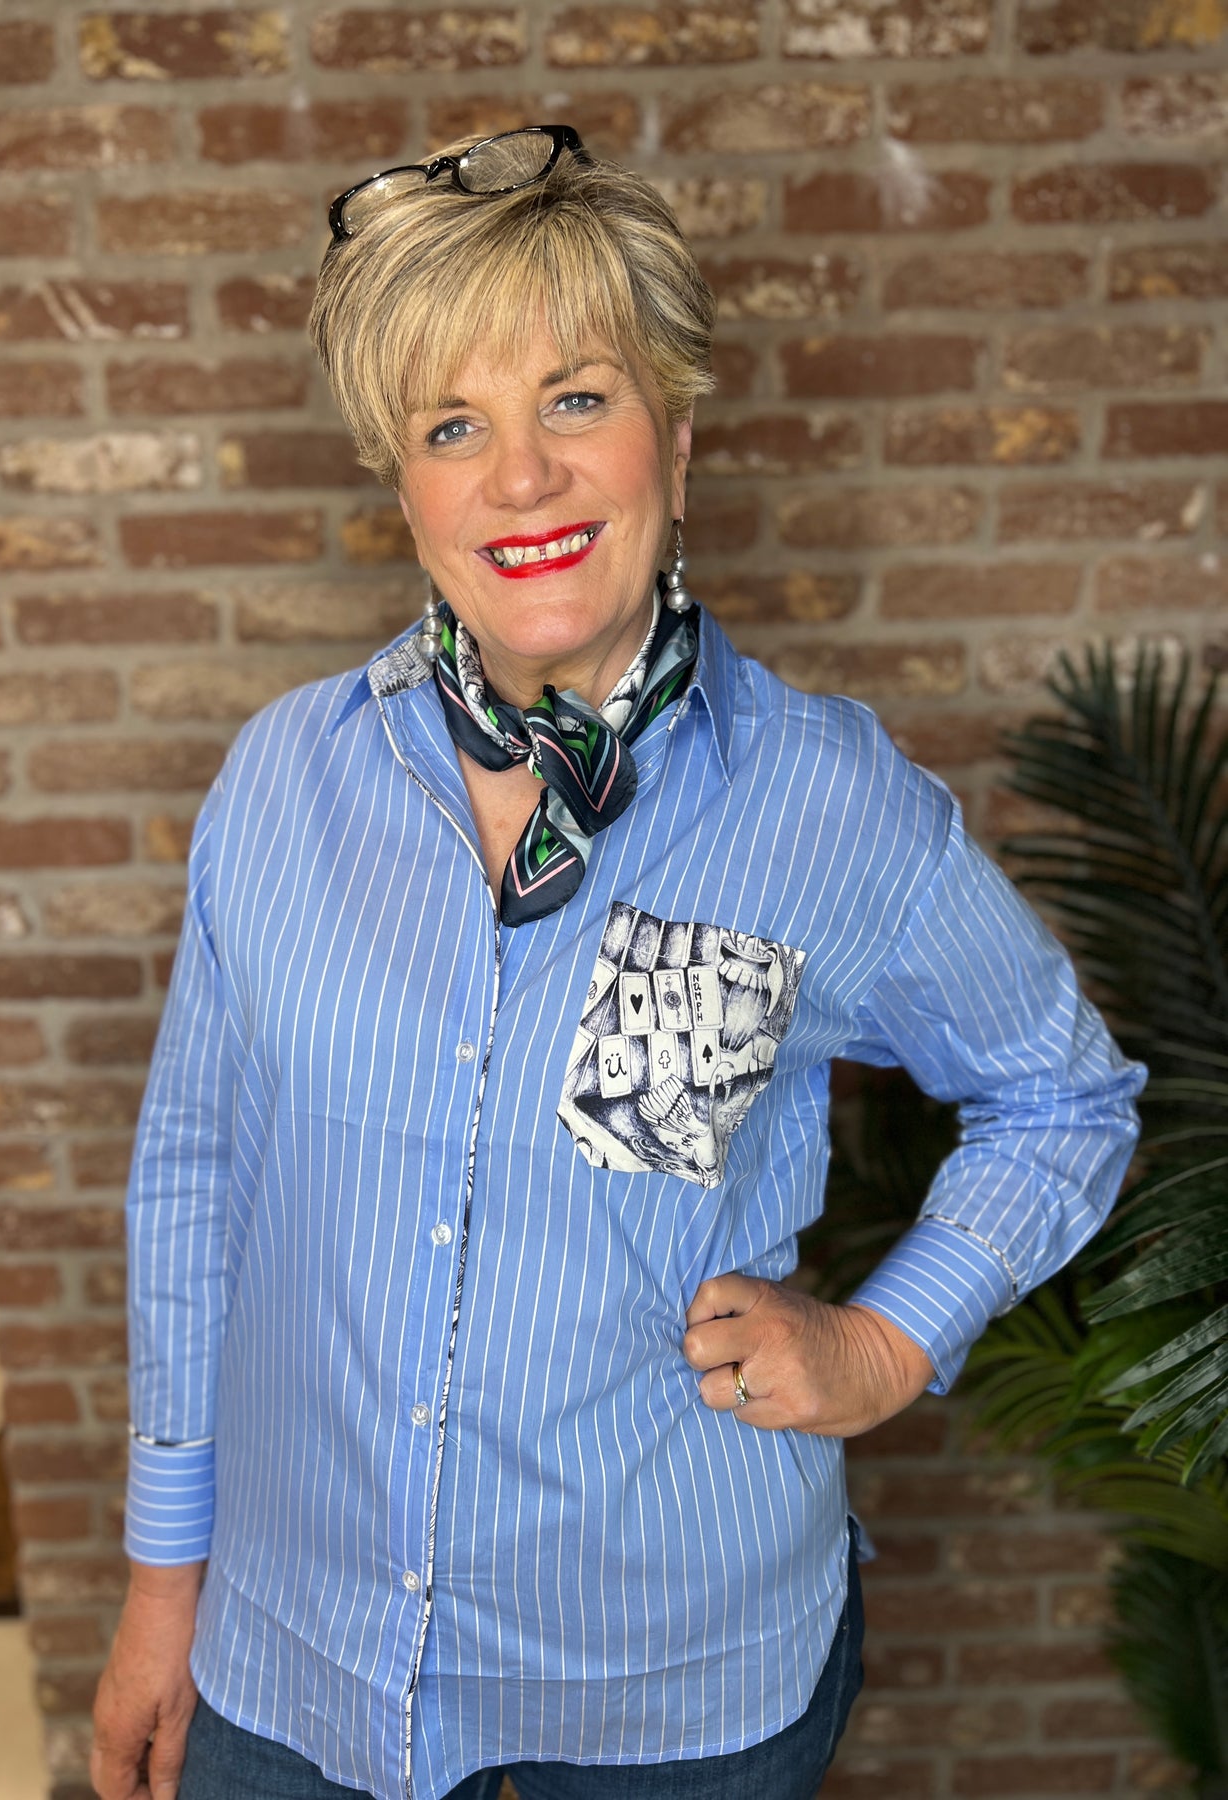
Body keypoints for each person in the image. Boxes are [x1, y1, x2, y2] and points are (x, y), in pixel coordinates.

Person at [91, 127, 1144, 1800]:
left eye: (574, 399)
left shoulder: (826, 803)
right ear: (402, 482)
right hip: (299, 1659)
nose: (521, 479)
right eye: (453, 426)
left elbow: (1062, 1098)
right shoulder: (282, 779)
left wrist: (883, 1345)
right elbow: (193, 1180)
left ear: (676, 427)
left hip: (677, 1688)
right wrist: (165, 1587)